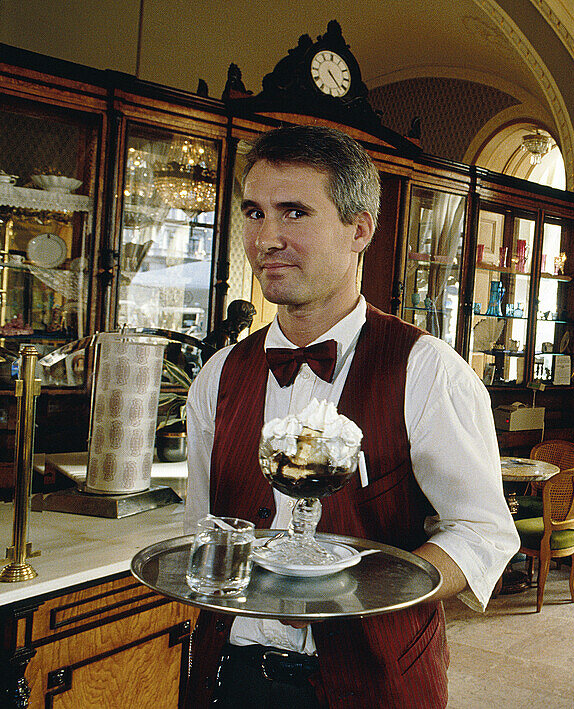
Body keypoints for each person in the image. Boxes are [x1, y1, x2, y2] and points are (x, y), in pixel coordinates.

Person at [183, 125, 519, 708]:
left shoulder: (427, 370)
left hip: (376, 680)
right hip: (227, 676)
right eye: (254, 213)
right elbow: (202, 529)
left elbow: (483, 530)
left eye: (294, 213)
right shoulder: (218, 375)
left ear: (359, 229)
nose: (267, 238)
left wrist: (366, 594)